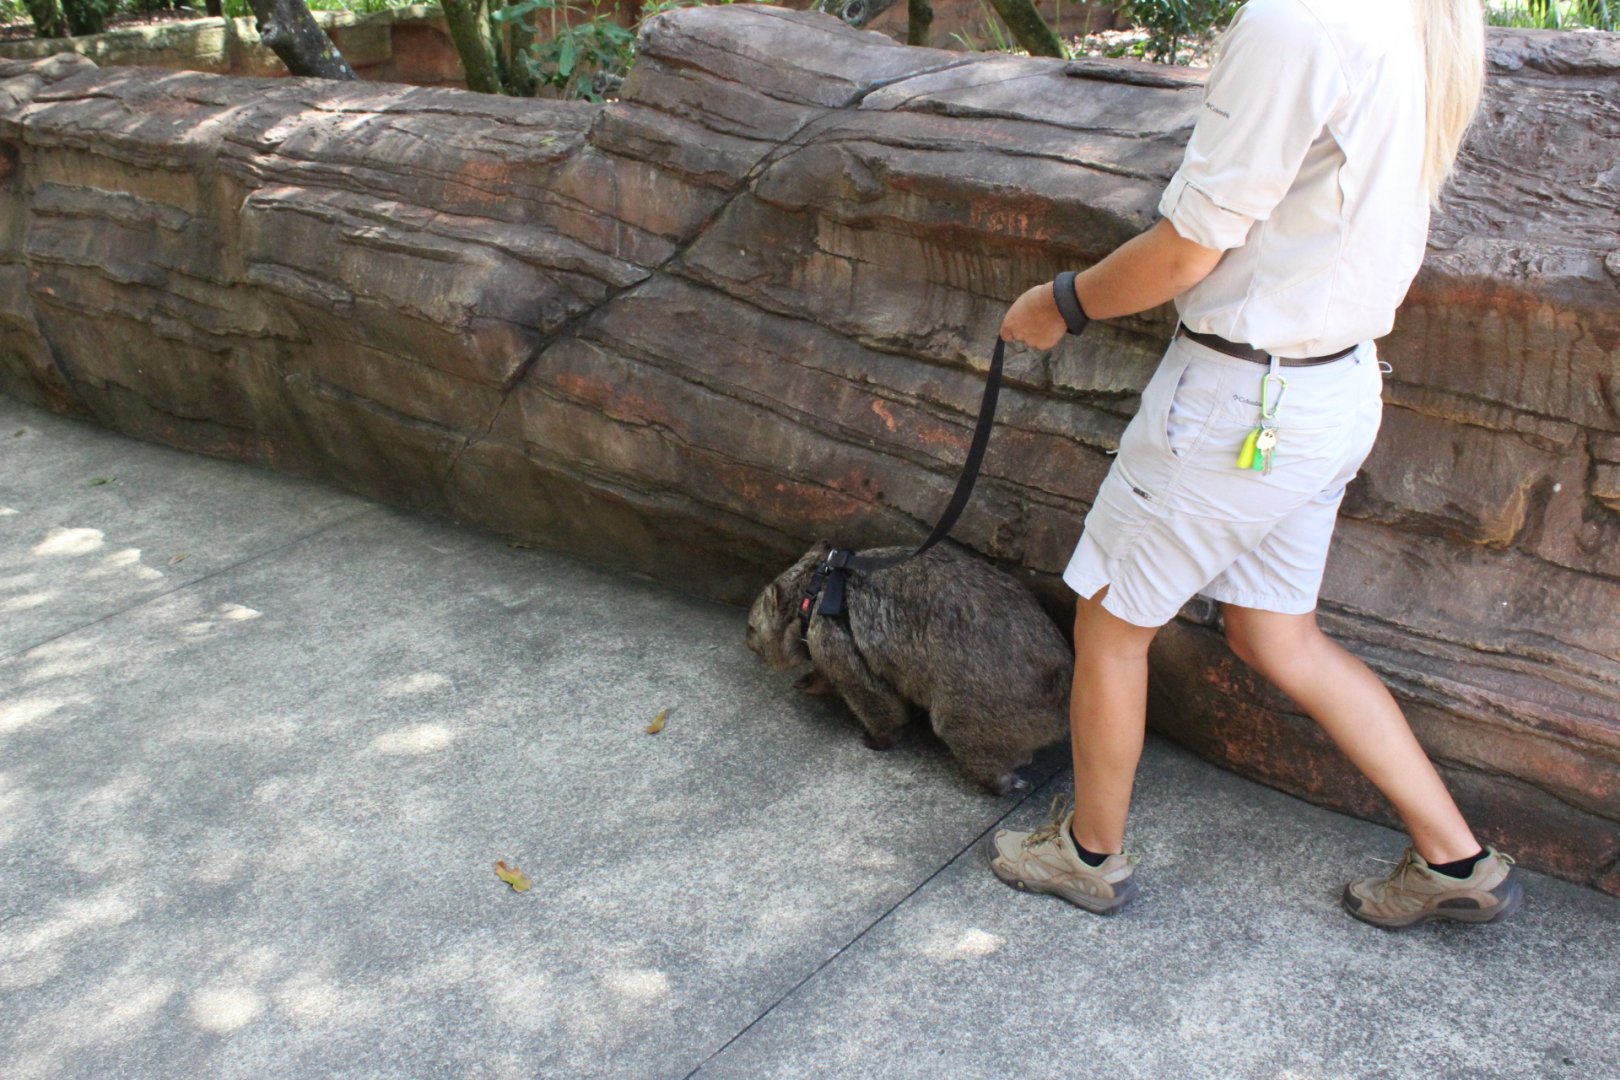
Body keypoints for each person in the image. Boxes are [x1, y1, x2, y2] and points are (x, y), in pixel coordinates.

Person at [988, 0, 1522, 928]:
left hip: (1241, 399)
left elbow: (1190, 249)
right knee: (1277, 636)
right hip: (1336, 388)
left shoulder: (1296, 22)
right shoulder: (1411, 17)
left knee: (1112, 623)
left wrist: (1060, 301)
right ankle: (1454, 859)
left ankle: (1087, 854)